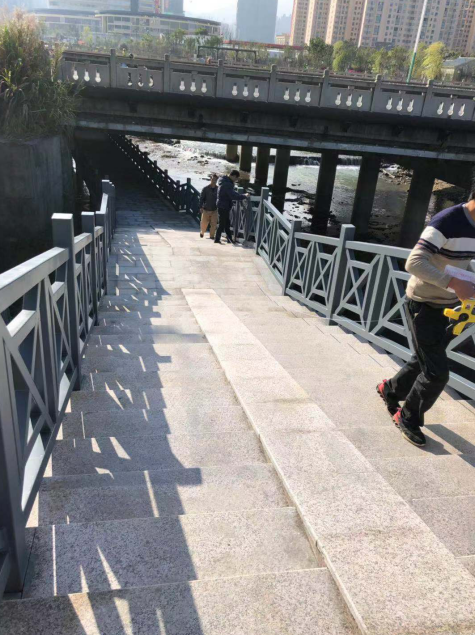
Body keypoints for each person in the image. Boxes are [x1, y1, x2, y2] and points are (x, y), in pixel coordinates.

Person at [377, 194, 475, 447]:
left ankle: (390, 389)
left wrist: (467, 282)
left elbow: (462, 260)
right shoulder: (447, 221)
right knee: (436, 373)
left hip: (451, 307)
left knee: (426, 358)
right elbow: (414, 262)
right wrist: (454, 283)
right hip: (424, 304)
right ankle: (407, 417)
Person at [215, 170, 249, 244]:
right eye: (236, 178)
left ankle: (229, 239)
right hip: (224, 205)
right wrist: (244, 196)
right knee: (222, 223)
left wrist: (240, 195)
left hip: (221, 204)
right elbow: (233, 196)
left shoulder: (223, 180)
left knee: (226, 223)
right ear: (233, 176)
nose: (236, 180)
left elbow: (231, 193)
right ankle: (217, 239)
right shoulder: (228, 184)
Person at [199, 174, 219, 239]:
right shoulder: (205, 188)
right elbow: (201, 198)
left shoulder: (218, 189)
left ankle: (212, 235)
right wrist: (201, 207)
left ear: (217, 180)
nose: (214, 181)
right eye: (213, 179)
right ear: (211, 179)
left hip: (215, 209)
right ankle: (202, 232)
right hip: (206, 208)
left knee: (214, 224)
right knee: (204, 223)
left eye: (215, 180)